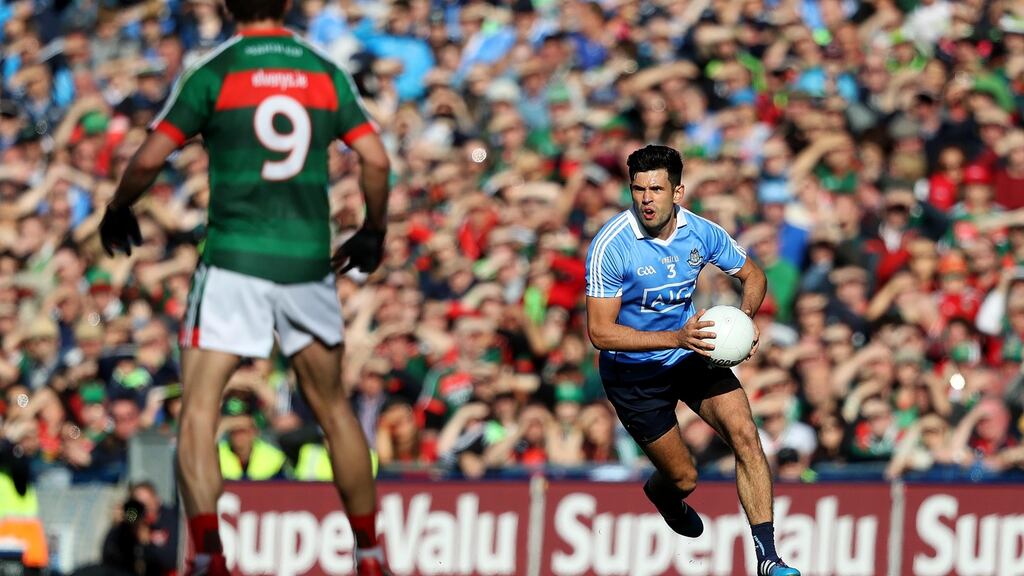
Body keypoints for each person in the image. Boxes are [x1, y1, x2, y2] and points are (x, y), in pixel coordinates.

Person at [97, 0, 392, 574]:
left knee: (200, 412)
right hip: (307, 263)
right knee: (334, 410)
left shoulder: (215, 69)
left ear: (230, 6)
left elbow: (152, 155)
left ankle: (209, 556)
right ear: (286, 5)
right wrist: (373, 231)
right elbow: (376, 160)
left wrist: (118, 205)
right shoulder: (322, 69)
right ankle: (370, 553)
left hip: (234, 261)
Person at [585, 145, 799, 576]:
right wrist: (676, 336)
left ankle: (768, 558)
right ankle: (663, 496)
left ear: (678, 192)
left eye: (656, 189)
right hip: (633, 374)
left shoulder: (702, 233)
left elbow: (752, 275)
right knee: (684, 479)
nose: (646, 199)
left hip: (691, 354)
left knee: (746, 435)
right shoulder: (612, 246)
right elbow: (600, 333)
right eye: (638, 189)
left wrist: (744, 321)